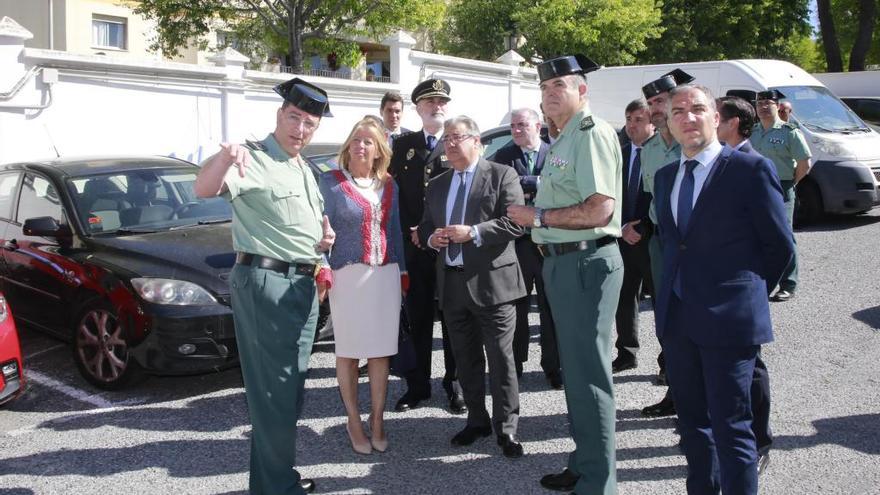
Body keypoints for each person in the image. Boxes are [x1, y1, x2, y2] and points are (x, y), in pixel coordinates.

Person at [193, 77, 335, 495]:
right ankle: (279, 488)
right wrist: (224, 158)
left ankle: (273, 481)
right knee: (274, 392)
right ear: (280, 115)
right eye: (294, 118)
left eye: (310, 123)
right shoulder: (253, 158)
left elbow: (299, 226)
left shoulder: (303, 168)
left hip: (302, 286)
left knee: (287, 391)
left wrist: (322, 241)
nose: (301, 129)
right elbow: (204, 188)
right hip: (267, 284)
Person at [653, 83, 794, 495]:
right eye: (677, 111)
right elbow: (674, 244)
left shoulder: (750, 169)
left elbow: (779, 246)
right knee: (692, 427)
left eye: (697, 109)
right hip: (678, 321)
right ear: (670, 123)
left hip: (729, 322)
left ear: (716, 118)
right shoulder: (665, 177)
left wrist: (741, 292)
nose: (687, 117)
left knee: (733, 429)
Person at [507, 54, 623, 495]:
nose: (550, 94)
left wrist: (536, 215)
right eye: (545, 88)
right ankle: (585, 461)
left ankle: (599, 482)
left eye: (560, 86)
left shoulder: (590, 134)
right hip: (564, 261)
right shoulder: (565, 136)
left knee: (590, 375)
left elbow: (600, 208)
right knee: (576, 373)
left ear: (582, 91)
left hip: (584, 261)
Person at [419, 115, 526, 458]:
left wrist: (474, 233)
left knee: (501, 359)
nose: (449, 144)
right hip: (451, 284)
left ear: (477, 142)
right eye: (446, 139)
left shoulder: (502, 174)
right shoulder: (437, 184)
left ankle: (506, 428)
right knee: (465, 359)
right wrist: (431, 238)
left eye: (457, 138)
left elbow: (515, 223)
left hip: (493, 285)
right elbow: (423, 228)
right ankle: (477, 420)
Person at [319, 117, 407, 455]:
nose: (361, 145)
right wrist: (322, 268)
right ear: (348, 145)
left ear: (379, 150)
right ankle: (353, 420)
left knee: (380, 351)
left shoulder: (390, 185)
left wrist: (403, 273)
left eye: (368, 141)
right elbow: (319, 233)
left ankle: (378, 419)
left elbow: (395, 231)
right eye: (356, 139)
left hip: (384, 275)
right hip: (347, 277)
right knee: (349, 351)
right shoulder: (330, 183)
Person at [389, 79, 464, 414]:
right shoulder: (402, 144)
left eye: (442, 101)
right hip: (415, 247)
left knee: (454, 317)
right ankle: (417, 386)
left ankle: (456, 385)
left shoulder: (458, 142)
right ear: (417, 108)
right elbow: (395, 198)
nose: (437, 107)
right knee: (417, 318)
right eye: (430, 102)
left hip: (451, 245)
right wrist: (410, 234)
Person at [716, 95, 776, 472]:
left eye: (716, 116)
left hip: (741, 290)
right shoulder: (712, 163)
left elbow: (778, 241)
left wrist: (754, 285)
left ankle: (759, 439)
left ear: (734, 122)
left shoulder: (755, 165)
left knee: (750, 368)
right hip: (712, 290)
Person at [489, 107, 562, 389]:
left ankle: (553, 366)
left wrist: (528, 184)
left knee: (550, 308)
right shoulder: (504, 156)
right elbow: (500, 189)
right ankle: (515, 366)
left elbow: (559, 187)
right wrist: (537, 184)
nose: (517, 130)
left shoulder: (555, 153)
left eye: (522, 125)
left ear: (538, 125)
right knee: (516, 309)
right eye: (514, 126)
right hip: (517, 244)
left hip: (548, 242)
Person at [638, 68, 694, 418]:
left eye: (660, 100)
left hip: (696, 244)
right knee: (667, 318)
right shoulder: (650, 149)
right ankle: (676, 388)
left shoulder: (695, 143)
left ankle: (697, 396)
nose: (654, 108)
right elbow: (650, 201)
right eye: (651, 103)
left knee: (698, 317)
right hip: (662, 243)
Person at [752, 89, 811, 303]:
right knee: (758, 234)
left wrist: (791, 184)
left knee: (784, 235)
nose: (763, 107)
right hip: (756, 188)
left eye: (768, 103)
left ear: (777, 106)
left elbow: (804, 163)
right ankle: (764, 282)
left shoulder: (789, 131)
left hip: (782, 187)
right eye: (760, 104)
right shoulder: (753, 132)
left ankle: (788, 284)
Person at [613, 98, 655, 373]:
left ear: (652, 123)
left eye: (638, 120)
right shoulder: (621, 152)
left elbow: (660, 198)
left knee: (662, 303)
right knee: (625, 298)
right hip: (622, 237)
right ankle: (626, 352)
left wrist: (641, 228)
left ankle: (668, 363)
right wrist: (622, 227)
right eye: (628, 120)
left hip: (651, 240)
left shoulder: (660, 152)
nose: (631, 125)